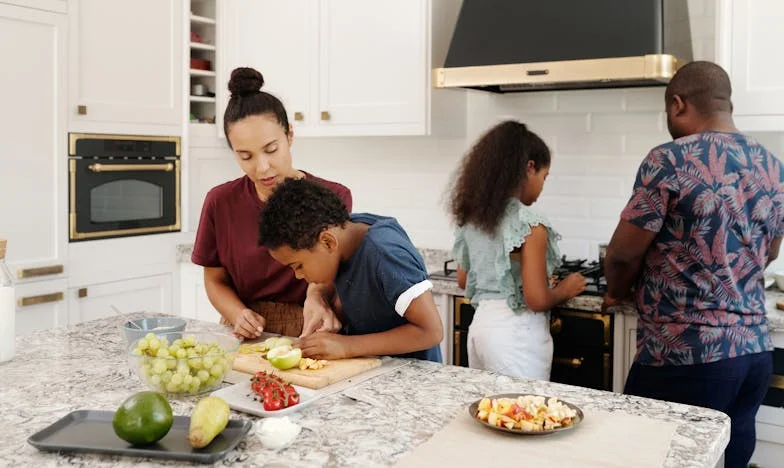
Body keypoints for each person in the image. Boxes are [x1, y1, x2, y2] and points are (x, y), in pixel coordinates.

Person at [602, 61, 784, 468]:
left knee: (645, 455)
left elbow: (622, 254)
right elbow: (770, 252)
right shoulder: (773, 166)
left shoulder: (670, 159)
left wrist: (616, 291)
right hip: (754, 352)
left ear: (678, 104)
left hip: (686, 354)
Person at [192, 67, 352, 340]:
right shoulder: (220, 201)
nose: (263, 168)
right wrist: (237, 314)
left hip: (311, 324)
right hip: (244, 330)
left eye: (271, 149)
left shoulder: (333, 196)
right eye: (246, 156)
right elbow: (214, 279)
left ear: (289, 135)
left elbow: (332, 271)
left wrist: (317, 298)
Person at [449, 120, 586, 379]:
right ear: (529, 168)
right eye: (544, 177)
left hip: (480, 329)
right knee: (522, 412)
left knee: (490, 411)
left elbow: (464, 279)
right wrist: (563, 290)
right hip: (515, 335)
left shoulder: (474, 219)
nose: (542, 187)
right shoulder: (530, 223)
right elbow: (536, 300)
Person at [257, 178, 444, 362]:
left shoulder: (386, 254)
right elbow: (331, 267)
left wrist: (346, 346)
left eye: (298, 266)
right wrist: (316, 296)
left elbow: (431, 331)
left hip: (410, 376)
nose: (298, 276)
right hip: (373, 369)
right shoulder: (345, 230)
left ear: (328, 242)